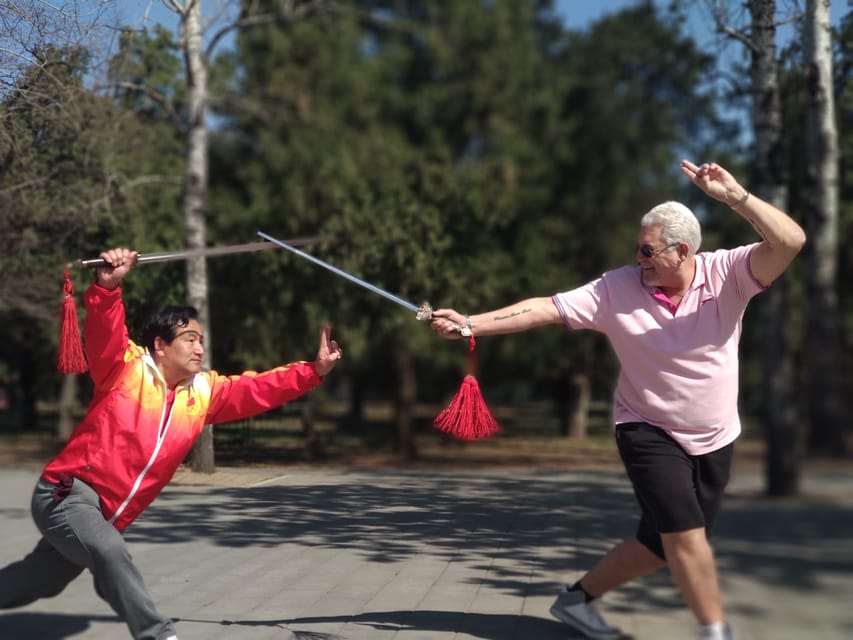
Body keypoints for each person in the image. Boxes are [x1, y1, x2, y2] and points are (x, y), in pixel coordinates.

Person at [430, 160, 806, 640]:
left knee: (659, 542)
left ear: (682, 251)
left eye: (648, 250)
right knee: (688, 539)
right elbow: (546, 308)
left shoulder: (728, 273)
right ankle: (716, 633)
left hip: (716, 436)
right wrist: (471, 322)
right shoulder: (616, 288)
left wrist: (735, 197)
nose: (639, 258)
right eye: (637, 248)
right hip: (646, 428)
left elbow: (791, 242)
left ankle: (575, 600)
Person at [0, 247, 343, 640]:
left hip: (105, 517)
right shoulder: (124, 368)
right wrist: (108, 289)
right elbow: (104, 330)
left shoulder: (203, 393)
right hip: (68, 494)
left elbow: (257, 388)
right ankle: (158, 635)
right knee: (110, 551)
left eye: (202, 340)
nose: (200, 348)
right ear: (160, 345)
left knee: (38, 581)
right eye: (190, 338)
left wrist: (313, 371)